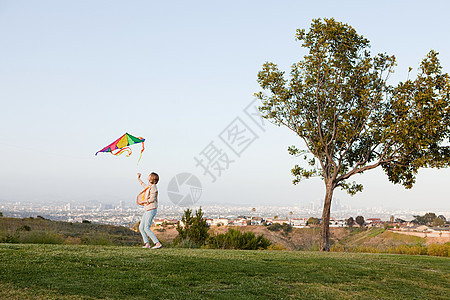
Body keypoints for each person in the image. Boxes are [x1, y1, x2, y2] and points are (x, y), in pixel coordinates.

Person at [137, 172, 162, 249]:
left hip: (151, 209)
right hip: (147, 209)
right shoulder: (150, 187)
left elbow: (152, 199)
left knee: (146, 228)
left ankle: (157, 243)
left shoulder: (154, 187)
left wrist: (143, 202)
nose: (148, 176)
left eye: (149, 176)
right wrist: (138, 178)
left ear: (152, 178)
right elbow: (144, 186)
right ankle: (147, 244)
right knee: (141, 227)